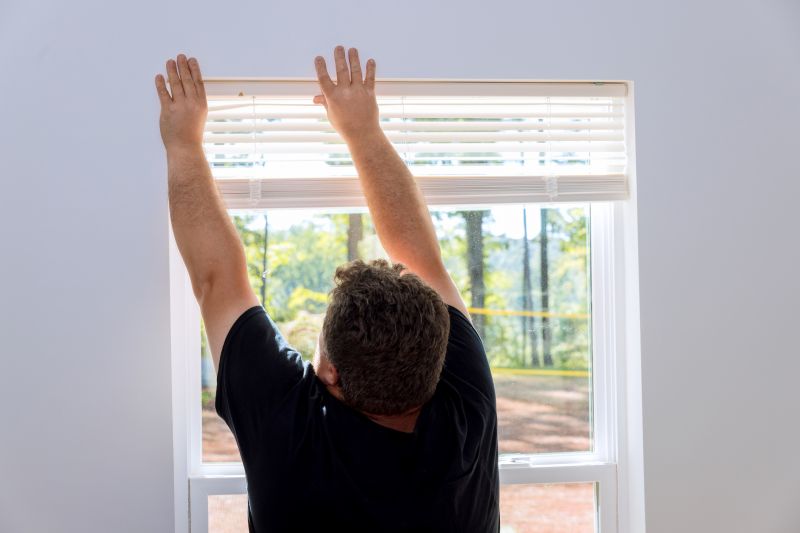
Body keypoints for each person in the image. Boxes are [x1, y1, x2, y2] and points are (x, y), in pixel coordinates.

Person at [155, 46, 500, 532]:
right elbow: (419, 257)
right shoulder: (467, 413)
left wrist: (183, 145)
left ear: (332, 372)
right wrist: (364, 131)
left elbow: (218, 280)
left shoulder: (289, 429)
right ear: (438, 356)